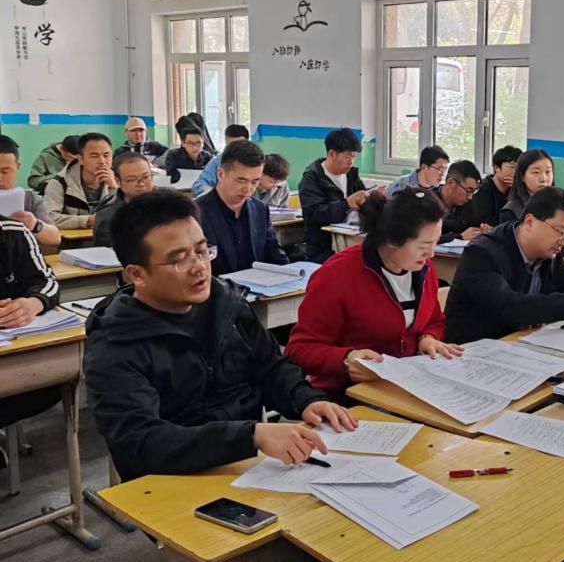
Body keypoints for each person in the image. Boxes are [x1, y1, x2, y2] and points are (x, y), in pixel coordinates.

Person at [84, 190, 357, 484]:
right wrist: (250, 436)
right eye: (179, 260)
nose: (199, 267)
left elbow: (270, 367)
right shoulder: (116, 343)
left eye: (202, 251)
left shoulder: (227, 304)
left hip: (249, 465)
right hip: (169, 482)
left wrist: (306, 400)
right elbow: (140, 442)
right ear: (137, 274)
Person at [286, 189, 459, 399]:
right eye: (424, 245)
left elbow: (434, 320)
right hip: (347, 394)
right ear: (392, 240)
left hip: (405, 386)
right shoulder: (337, 275)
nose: (431, 253)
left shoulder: (424, 268)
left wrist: (428, 339)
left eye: (436, 241)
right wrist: (346, 359)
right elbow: (299, 349)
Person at [445, 187, 564, 343]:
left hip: (523, 343)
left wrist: (543, 310)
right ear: (530, 222)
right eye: (560, 231)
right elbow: (509, 308)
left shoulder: (549, 252)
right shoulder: (482, 253)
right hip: (475, 349)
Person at [0, 215, 62, 441]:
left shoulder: (13, 231)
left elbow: (47, 281)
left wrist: (33, 303)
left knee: (53, 382)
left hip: (14, 354)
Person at [196, 141, 288, 276]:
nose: (248, 189)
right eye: (241, 180)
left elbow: (275, 254)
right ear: (220, 174)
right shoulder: (196, 213)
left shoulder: (260, 210)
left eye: (255, 181)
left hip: (258, 285)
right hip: (217, 287)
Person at [299, 128, 376, 263]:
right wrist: (347, 204)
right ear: (332, 154)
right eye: (347, 156)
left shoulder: (351, 175)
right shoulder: (312, 179)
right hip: (323, 250)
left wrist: (373, 197)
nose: (351, 162)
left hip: (350, 243)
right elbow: (314, 216)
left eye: (353, 156)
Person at [43, 132, 117, 229]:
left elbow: (128, 216)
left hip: (108, 236)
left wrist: (114, 189)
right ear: (80, 159)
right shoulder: (60, 183)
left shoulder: (121, 179)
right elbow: (50, 219)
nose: (102, 161)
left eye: (106, 155)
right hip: (73, 238)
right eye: (94, 156)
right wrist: (88, 220)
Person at [0, 135, 60, 247]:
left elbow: (55, 239)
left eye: (5, 172)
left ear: (17, 167)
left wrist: (34, 224)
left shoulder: (29, 199)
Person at [92, 153, 155, 247]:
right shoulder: (109, 218)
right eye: (131, 180)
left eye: (146, 177)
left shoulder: (169, 204)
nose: (141, 184)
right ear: (118, 182)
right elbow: (108, 253)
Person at [432, 160, 485, 244]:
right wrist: (459, 237)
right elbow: (422, 238)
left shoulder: (468, 203)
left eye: (473, 191)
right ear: (450, 183)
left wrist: (483, 229)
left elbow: (475, 225)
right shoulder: (426, 203)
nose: (470, 197)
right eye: (468, 190)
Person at [468, 145, 521, 228]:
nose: (515, 172)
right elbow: (484, 223)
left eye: (518, 168)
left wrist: (517, 189)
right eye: (512, 167)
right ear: (496, 167)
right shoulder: (482, 191)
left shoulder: (517, 189)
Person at [191, 124, 252, 197]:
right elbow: (199, 184)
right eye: (231, 146)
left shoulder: (255, 160)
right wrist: (216, 195)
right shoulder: (218, 161)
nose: (235, 150)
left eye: (239, 145)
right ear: (226, 142)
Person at [498, 149, 555, 224]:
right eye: (536, 172)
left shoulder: (559, 205)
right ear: (522, 176)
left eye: (548, 172)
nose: (543, 179)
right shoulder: (511, 212)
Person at [384, 145, 450, 197]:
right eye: (439, 169)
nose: (442, 174)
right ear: (424, 167)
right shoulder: (401, 187)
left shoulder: (440, 191)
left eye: (445, 169)